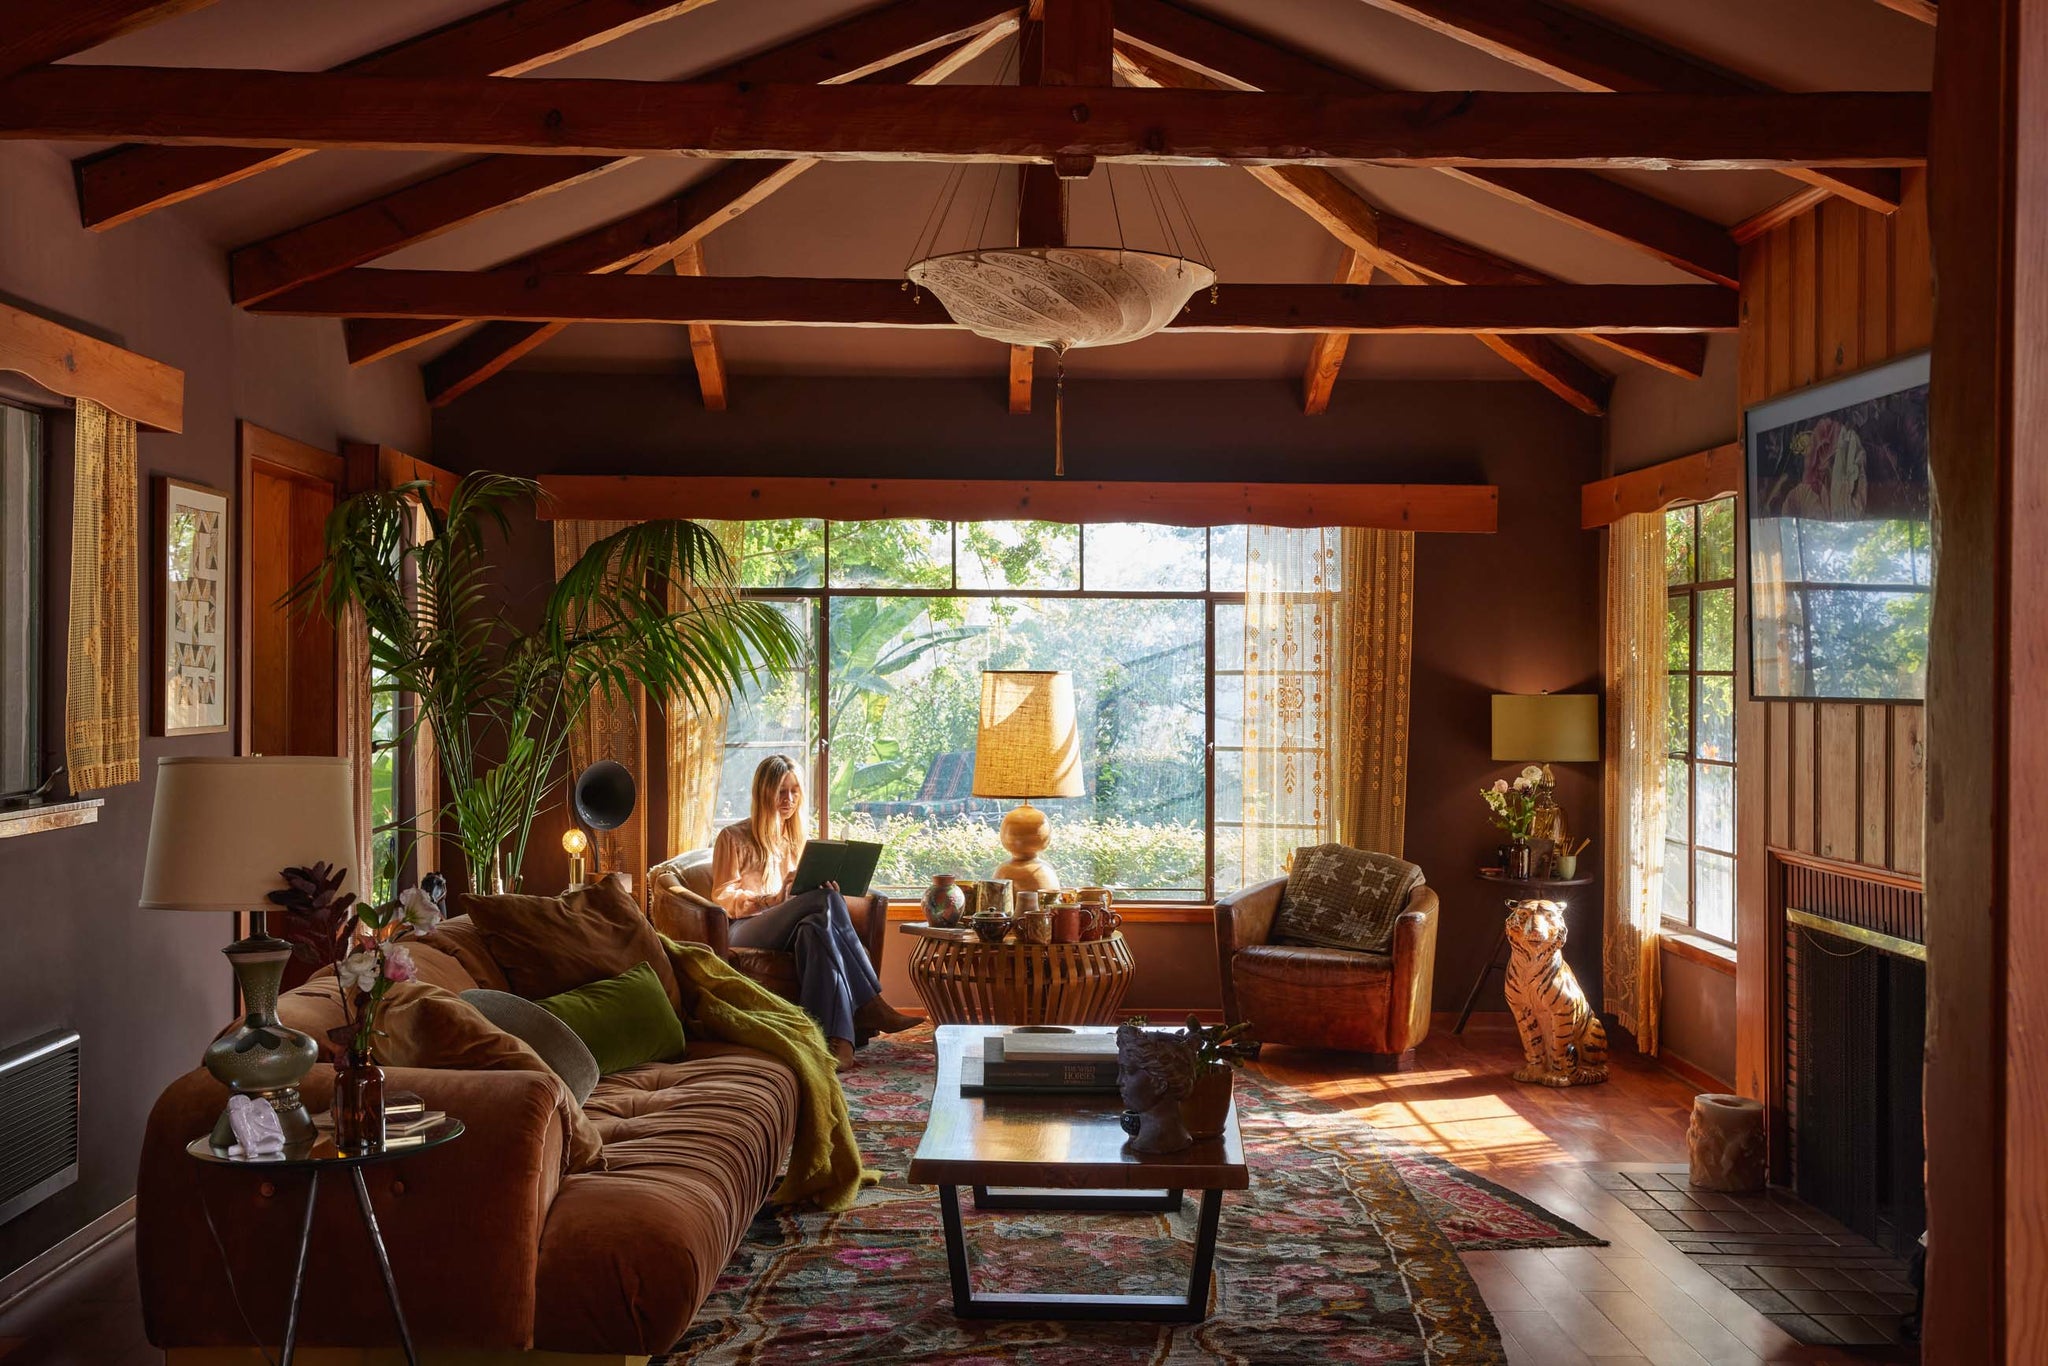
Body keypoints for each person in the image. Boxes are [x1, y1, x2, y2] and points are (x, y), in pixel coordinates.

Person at [711, 754, 919, 1069]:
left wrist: (819, 889)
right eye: (781, 791)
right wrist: (772, 899)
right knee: (824, 904)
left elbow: (807, 901)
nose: (789, 799)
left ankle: (835, 1042)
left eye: (795, 791)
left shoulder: (795, 839)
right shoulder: (733, 837)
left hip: (795, 926)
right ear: (763, 792)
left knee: (816, 926)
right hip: (744, 927)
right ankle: (871, 1001)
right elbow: (722, 897)